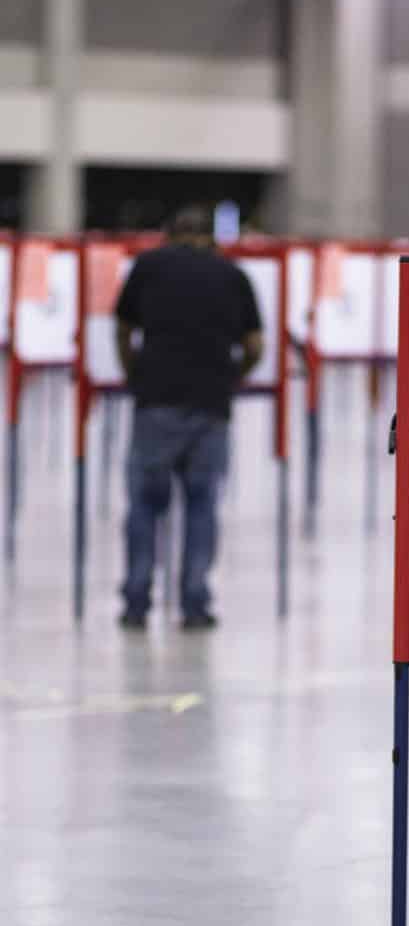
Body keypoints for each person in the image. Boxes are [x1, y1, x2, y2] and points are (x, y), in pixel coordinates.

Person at [116, 205, 264, 630]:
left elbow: (123, 328)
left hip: (155, 403)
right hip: (210, 406)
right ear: (212, 239)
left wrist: (133, 374)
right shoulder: (232, 276)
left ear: (170, 235)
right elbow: (255, 345)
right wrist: (233, 377)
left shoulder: (147, 266)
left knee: (144, 505)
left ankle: (136, 601)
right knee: (202, 506)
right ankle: (195, 603)